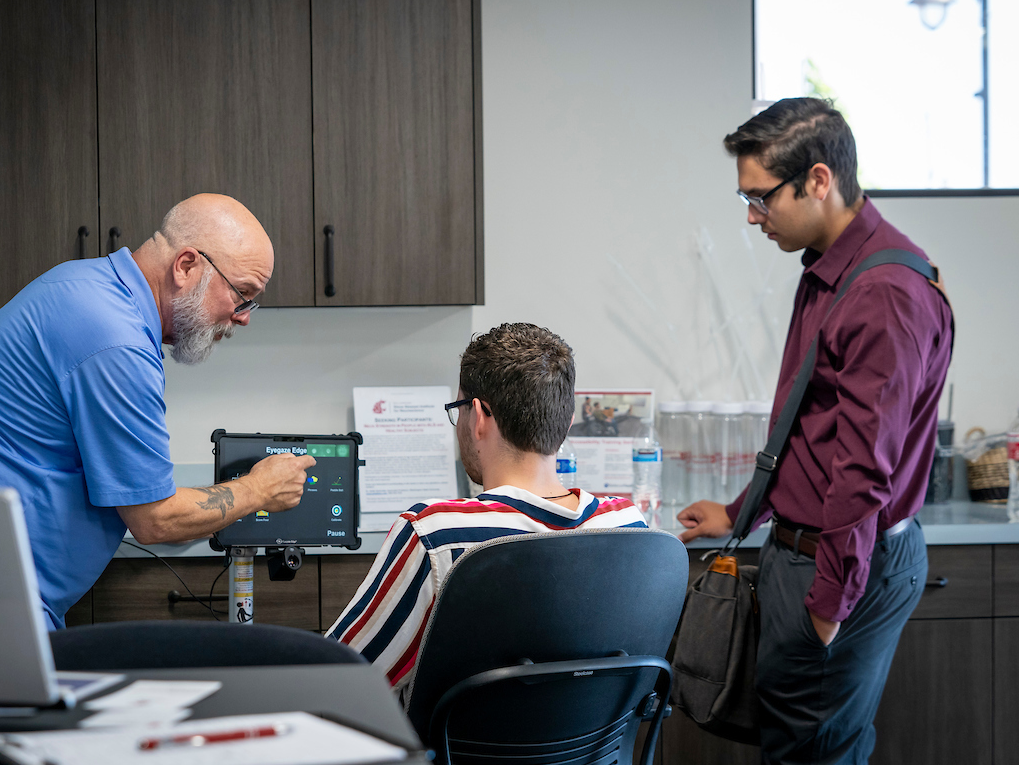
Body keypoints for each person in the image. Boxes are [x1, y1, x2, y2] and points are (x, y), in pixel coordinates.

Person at [677, 98, 953, 764]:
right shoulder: (832, 269)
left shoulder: (882, 294)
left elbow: (862, 470)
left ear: (818, 180)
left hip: (835, 565)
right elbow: (810, 428)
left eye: (761, 198)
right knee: (806, 748)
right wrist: (742, 512)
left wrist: (829, 604)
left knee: (813, 756)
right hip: (809, 554)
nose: (752, 216)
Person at [0, 194, 316, 631]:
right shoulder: (115, 340)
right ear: (186, 266)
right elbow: (155, 519)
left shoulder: (86, 284)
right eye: (242, 294)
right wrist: (258, 490)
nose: (243, 317)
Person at [327, 323, 646, 702]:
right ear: (567, 420)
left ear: (477, 415)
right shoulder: (628, 524)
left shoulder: (436, 535)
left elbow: (338, 681)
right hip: (598, 742)